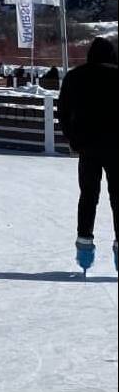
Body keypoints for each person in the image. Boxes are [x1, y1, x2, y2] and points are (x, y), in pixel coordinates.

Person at [57, 37, 118, 273]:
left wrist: (73, 138)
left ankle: (84, 249)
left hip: (88, 147)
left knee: (88, 196)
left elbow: (63, 111)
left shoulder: (75, 76)